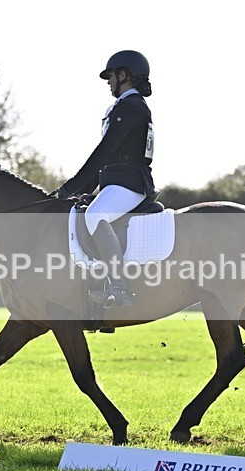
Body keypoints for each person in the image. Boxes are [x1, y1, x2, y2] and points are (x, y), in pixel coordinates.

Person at [55, 50, 156, 308]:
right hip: (117, 182)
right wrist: (81, 191)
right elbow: (108, 160)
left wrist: (72, 186)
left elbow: (105, 151)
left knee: (95, 215)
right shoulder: (123, 107)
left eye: (111, 76)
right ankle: (95, 285)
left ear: (124, 75)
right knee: (83, 212)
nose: (109, 83)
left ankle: (120, 287)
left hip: (130, 183)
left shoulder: (131, 106)